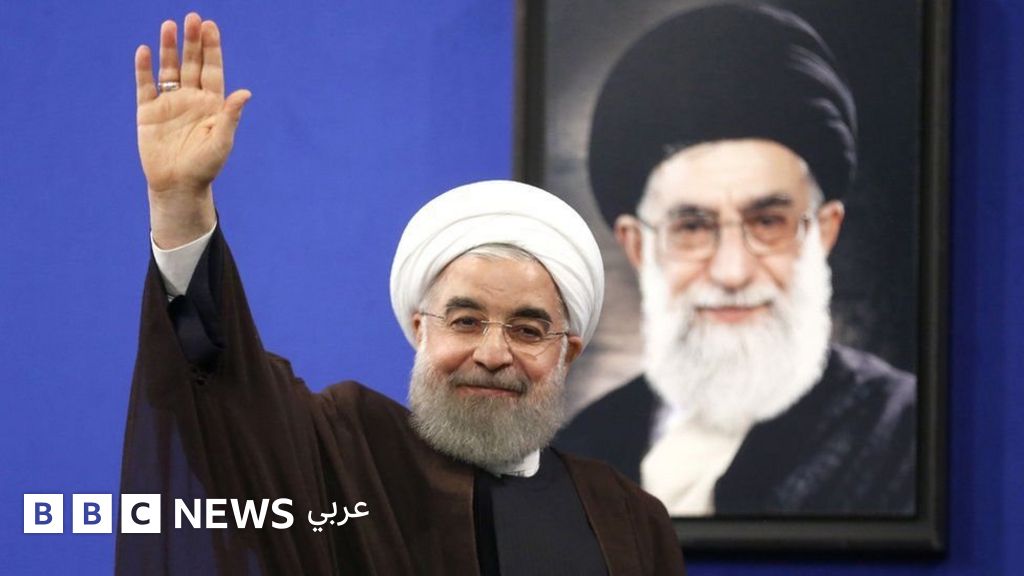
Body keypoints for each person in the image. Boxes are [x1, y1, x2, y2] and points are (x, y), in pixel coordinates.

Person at [117, 12, 685, 576]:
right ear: (420, 328)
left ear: (569, 351)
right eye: (465, 321)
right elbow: (222, 388)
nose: (493, 354)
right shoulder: (344, 453)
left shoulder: (629, 520)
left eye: (527, 330)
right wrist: (180, 203)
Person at [556, 2, 915, 517]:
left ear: (824, 231)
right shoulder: (581, 451)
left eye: (768, 223)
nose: (732, 272)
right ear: (637, 245)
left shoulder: (901, 433)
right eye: (692, 227)